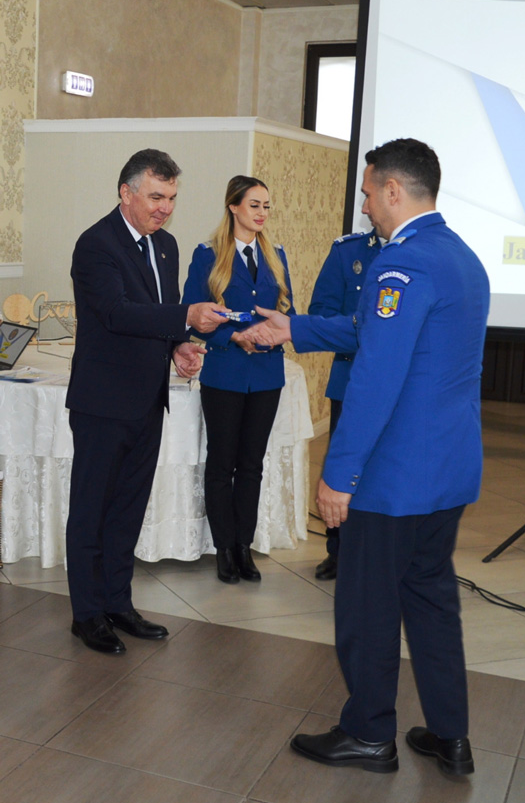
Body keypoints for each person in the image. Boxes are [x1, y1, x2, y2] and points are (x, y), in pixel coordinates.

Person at [249, 138, 490, 776]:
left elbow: (378, 376)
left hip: (394, 476)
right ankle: (451, 735)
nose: (364, 205)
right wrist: (294, 327)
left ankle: (368, 734)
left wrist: (338, 474)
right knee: (432, 601)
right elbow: (377, 330)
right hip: (447, 470)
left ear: (392, 190)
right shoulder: (460, 257)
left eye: (367, 192)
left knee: (366, 605)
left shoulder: (400, 265)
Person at [66, 149, 225, 655]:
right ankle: (86, 614)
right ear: (126, 192)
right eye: (156, 197)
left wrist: (178, 346)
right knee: (92, 512)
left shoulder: (166, 246)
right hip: (101, 404)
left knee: (127, 510)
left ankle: (118, 603)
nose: (165, 208)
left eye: (171, 198)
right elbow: (117, 313)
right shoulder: (96, 244)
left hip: (147, 401)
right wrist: (187, 317)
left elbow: (159, 313)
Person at [182, 175, 295, 585]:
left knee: (251, 464)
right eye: (254, 205)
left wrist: (268, 335)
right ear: (233, 206)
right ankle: (224, 549)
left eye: (267, 206)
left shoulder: (276, 256)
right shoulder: (208, 254)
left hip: (266, 374)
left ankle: (244, 546)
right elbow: (191, 311)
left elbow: (287, 310)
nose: (262, 213)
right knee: (221, 463)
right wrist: (232, 336)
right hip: (225, 372)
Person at [307, 227, 381, 580]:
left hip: (401, 386)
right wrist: (361, 331)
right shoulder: (347, 251)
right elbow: (320, 312)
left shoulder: (415, 251)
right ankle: (338, 552)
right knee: (343, 468)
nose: (366, 207)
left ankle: (378, 553)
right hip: (350, 380)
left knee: (384, 471)